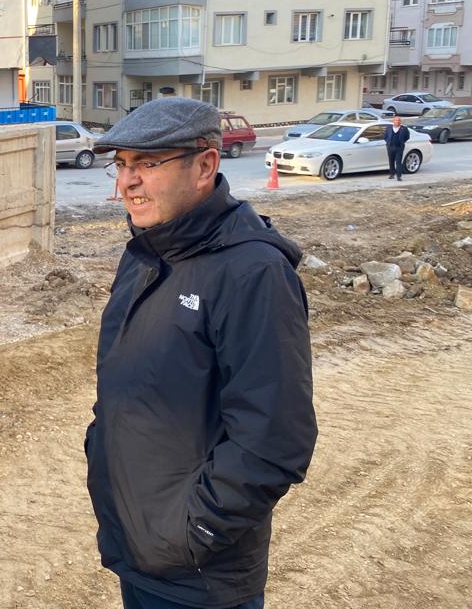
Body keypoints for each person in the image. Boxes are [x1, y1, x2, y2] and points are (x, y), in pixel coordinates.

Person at [85, 97, 317, 609]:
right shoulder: (145, 254)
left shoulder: (253, 273)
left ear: (206, 165)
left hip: (199, 576)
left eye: (148, 163)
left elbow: (275, 439)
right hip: (136, 543)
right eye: (121, 164)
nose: (127, 183)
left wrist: (195, 533)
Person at [385, 114, 410, 181]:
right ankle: (392, 174)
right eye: (396, 120)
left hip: (399, 147)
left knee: (398, 162)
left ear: (400, 122)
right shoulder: (389, 128)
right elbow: (385, 136)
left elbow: (407, 137)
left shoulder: (404, 129)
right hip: (390, 147)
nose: (397, 121)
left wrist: (402, 142)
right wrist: (388, 142)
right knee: (391, 161)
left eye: (399, 120)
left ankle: (399, 176)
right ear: (393, 121)